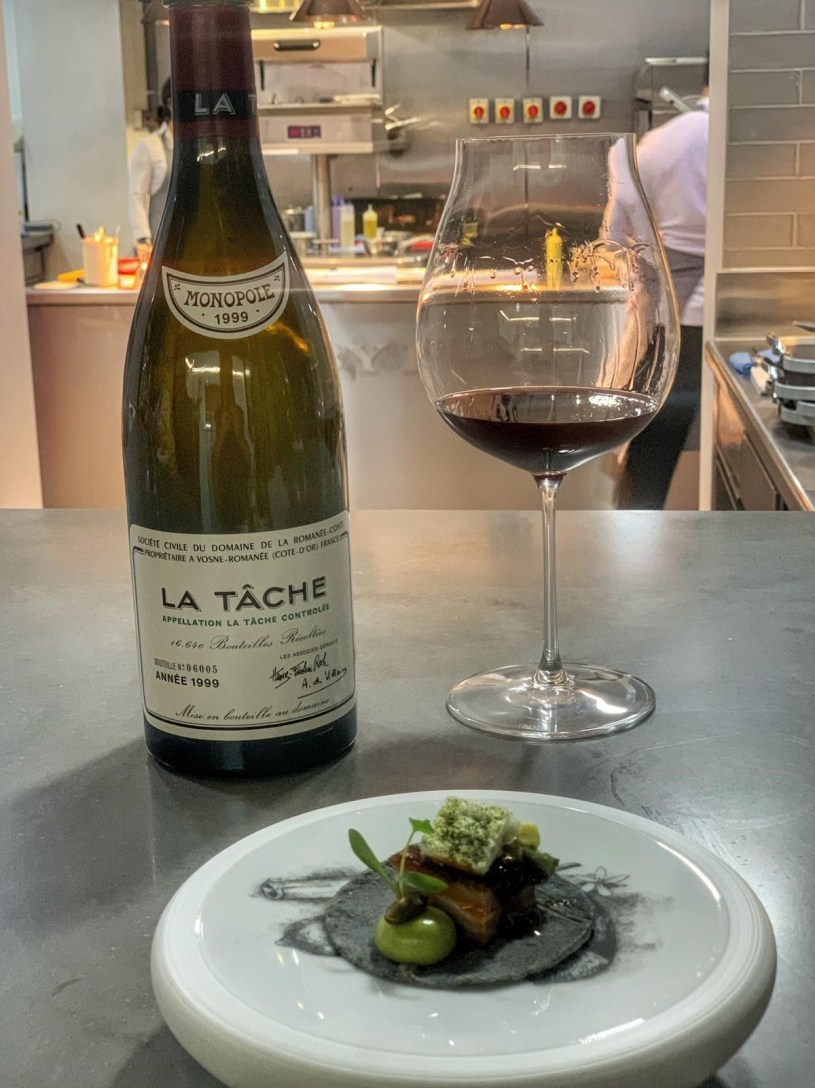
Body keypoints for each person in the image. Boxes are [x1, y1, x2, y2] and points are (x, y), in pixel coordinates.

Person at [615, 66, 709, 509]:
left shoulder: (658, 141)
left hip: (667, 299)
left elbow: (618, 234)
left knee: (655, 420)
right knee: (697, 421)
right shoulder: (741, 140)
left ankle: (637, 520)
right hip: (713, 304)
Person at [128, 78, 173, 248]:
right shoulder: (150, 146)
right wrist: (143, 240)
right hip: (162, 242)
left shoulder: (200, 145)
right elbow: (137, 197)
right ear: (171, 104)